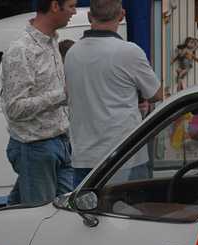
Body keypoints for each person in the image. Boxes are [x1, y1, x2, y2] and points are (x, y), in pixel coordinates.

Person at [65, 0, 162, 186]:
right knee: (129, 211)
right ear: (122, 15)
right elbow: (156, 94)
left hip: (83, 155)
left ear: (89, 16)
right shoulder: (129, 52)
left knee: (84, 213)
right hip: (123, 155)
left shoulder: (72, 53)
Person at [1, 0, 77, 205]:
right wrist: (63, 95)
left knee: (66, 214)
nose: (74, 11)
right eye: (71, 6)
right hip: (35, 146)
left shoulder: (52, 42)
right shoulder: (21, 50)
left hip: (60, 142)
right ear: (54, 6)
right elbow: (15, 108)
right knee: (40, 219)